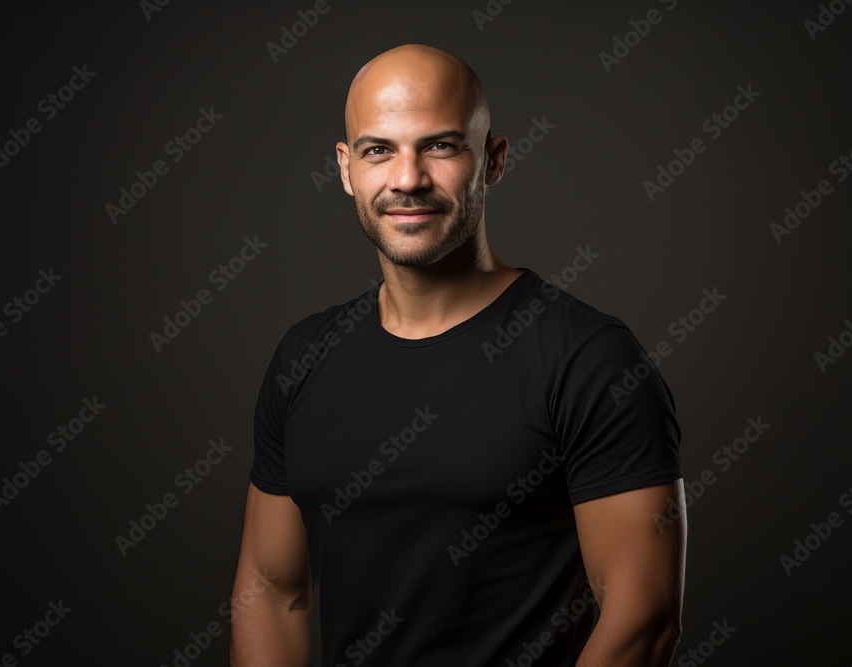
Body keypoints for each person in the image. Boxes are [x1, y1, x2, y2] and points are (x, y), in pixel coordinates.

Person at [230, 43, 686, 667]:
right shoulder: (303, 356)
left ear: (493, 159)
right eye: (378, 150)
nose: (408, 178)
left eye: (440, 146)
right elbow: (271, 591)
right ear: (345, 169)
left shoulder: (590, 359)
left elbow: (644, 618)